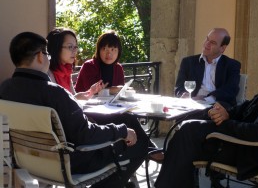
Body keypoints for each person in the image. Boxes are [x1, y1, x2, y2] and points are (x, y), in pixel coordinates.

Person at [155, 25, 258, 188]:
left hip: (249, 153)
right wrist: (226, 114)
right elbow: (250, 106)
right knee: (191, 127)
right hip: (244, 143)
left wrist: (223, 122)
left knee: (187, 135)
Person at [0, 31, 149, 188]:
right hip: (72, 164)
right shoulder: (55, 93)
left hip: (26, 162)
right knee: (140, 143)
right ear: (39, 56)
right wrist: (122, 131)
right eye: (47, 55)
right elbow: (86, 135)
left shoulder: (5, 89)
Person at [175, 28, 241, 106]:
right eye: (207, 39)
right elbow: (179, 87)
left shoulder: (232, 65)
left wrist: (206, 99)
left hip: (217, 107)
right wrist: (183, 94)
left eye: (212, 43)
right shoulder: (188, 62)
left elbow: (230, 90)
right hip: (191, 105)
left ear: (222, 48)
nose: (207, 44)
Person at [47, 27, 105, 100]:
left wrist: (90, 92)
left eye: (75, 47)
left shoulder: (66, 70)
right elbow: (57, 103)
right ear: (56, 47)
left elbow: (72, 97)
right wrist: (76, 97)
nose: (74, 51)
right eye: (70, 47)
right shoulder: (47, 73)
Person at [75, 30, 125, 95]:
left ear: (119, 51)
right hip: (83, 103)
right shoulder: (89, 66)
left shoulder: (118, 68)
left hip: (109, 104)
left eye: (112, 49)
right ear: (98, 50)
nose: (109, 54)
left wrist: (120, 89)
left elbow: (121, 92)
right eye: (105, 49)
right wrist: (117, 89)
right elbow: (93, 92)